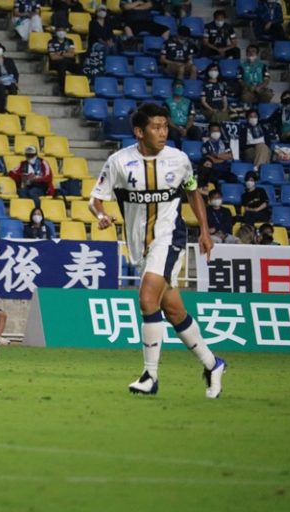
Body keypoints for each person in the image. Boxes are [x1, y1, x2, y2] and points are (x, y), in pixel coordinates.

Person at [89, 103, 226, 398]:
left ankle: (150, 376)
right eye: (156, 127)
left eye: (165, 127)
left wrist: (204, 231)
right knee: (173, 310)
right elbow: (96, 198)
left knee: (147, 298)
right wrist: (101, 215)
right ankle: (213, 364)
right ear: (140, 132)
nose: (163, 132)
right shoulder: (118, 162)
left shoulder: (179, 160)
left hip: (170, 237)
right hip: (140, 245)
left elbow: (192, 192)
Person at [48, 24, 82, 95]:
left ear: (65, 31)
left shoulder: (69, 41)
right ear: (56, 32)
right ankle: (62, 89)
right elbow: (53, 57)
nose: (61, 32)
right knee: (62, 65)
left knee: (80, 67)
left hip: (68, 62)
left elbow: (72, 55)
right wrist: (66, 54)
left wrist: (60, 53)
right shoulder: (51, 42)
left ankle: (79, 88)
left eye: (63, 30)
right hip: (56, 63)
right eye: (59, 30)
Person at [165, 81, 201, 145]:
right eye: (177, 87)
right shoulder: (167, 102)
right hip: (173, 127)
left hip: (186, 126)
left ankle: (194, 149)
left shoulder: (189, 102)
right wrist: (179, 129)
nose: (179, 89)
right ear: (172, 89)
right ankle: (178, 149)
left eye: (181, 87)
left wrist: (186, 129)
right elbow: (168, 119)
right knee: (173, 133)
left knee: (196, 131)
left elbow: (191, 118)